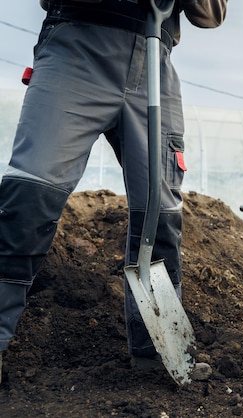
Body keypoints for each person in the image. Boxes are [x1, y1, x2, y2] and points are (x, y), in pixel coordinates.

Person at [0, 0, 227, 383]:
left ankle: (157, 352)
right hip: (77, 47)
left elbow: (211, 15)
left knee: (160, 212)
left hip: (155, 53)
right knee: (29, 197)